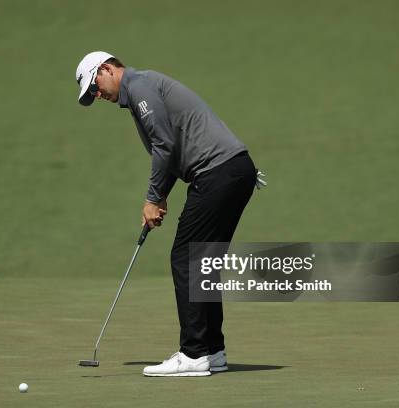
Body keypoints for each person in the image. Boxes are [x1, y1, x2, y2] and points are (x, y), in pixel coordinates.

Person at [75, 51, 265, 377]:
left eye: (95, 87)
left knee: (186, 257)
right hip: (233, 171)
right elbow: (173, 148)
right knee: (204, 260)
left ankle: (193, 354)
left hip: (218, 172)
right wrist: (161, 196)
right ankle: (212, 351)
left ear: (106, 69)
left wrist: (152, 198)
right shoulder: (140, 90)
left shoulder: (139, 86)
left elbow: (164, 144)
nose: (98, 96)